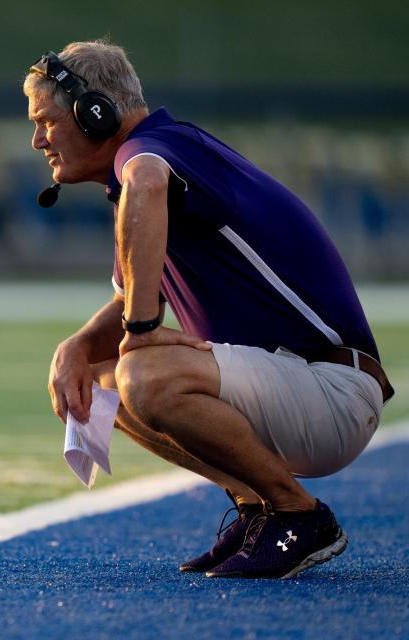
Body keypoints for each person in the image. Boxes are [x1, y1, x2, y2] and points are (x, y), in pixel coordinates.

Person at [24, 39, 394, 579]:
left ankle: (299, 515)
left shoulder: (146, 158)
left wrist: (145, 333)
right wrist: (76, 349)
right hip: (301, 383)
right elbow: (129, 300)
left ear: (95, 113)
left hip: (332, 387)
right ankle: (259, 509)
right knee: (99, 388)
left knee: (144, 374)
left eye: (46, 121)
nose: (37, 140)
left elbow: (148, 186)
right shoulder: (152, 164)